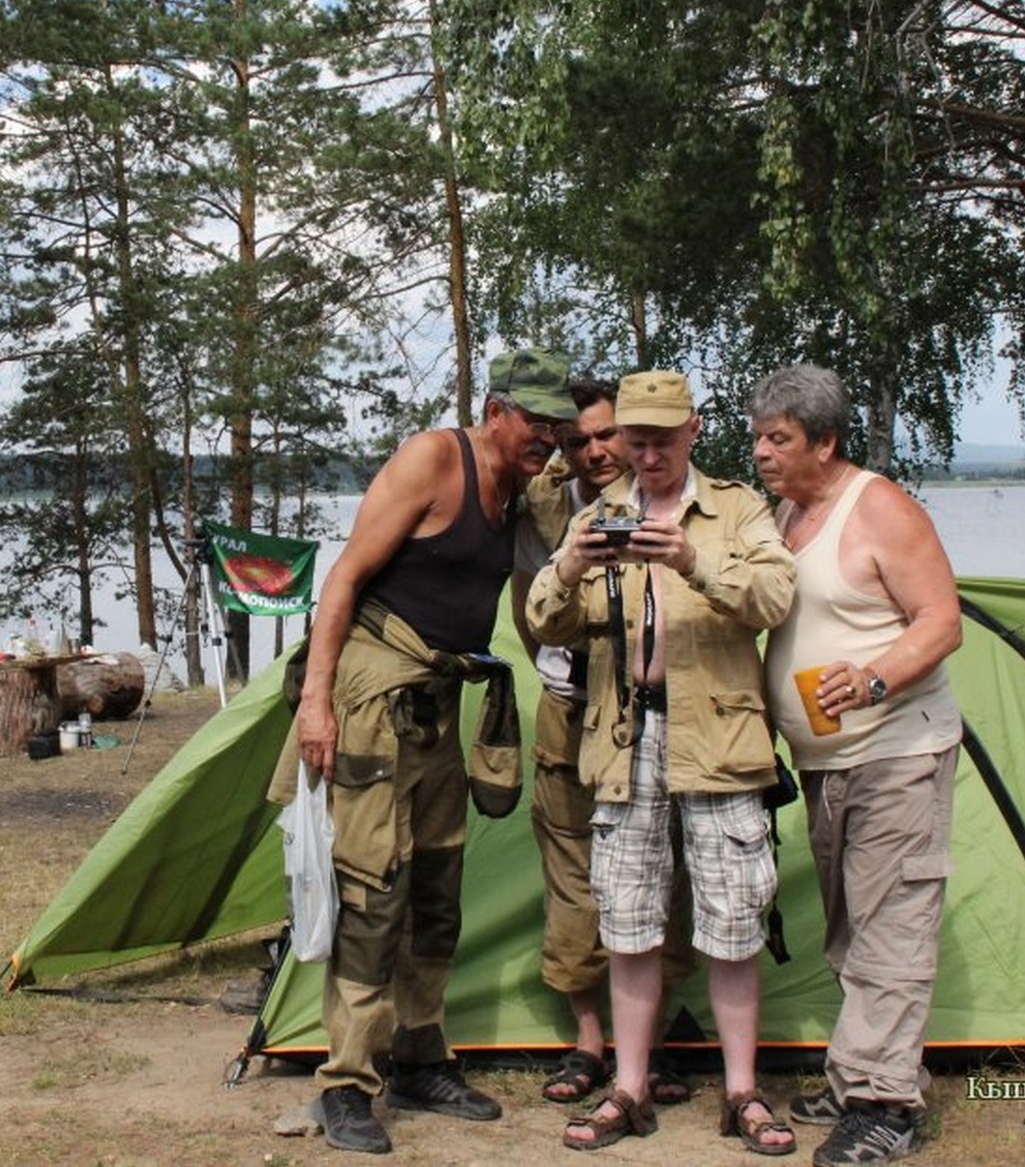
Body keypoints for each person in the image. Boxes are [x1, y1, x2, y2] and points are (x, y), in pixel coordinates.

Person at [271, 347, 577, 1156]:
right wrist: (315, 703)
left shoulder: (525, 492)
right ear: (496, 410)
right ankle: (345, 1083)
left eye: (560, 424)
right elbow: (343, 580)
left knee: (438, 887)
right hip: (372, 701)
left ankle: (419, 1057)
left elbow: (535, 609)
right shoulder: (432, 458)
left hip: (439, 701)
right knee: (374, 893)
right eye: (537, 421)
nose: (550, 435)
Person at [526, 369, 798, 1155]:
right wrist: (571, 565)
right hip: (625, 740)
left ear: (693, 431)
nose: (644, 456)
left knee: (733, 920)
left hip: (718, 740)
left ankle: (742, 1091)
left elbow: (776, 596)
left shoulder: (737, 509)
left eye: (658, 440)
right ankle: (631, 1088)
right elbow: (545, 622)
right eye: (632, 441)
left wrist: (691, 561)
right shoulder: (601, 514)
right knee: (630, 922)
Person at [748, 364, 963, 1166]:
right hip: (826, 763)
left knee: (892, 926)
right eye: (759, 436)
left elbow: (942, 620)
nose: (763, 452)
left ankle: (885, 1108)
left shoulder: (881, 507)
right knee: (851, 925)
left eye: (780, 438)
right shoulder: (789, 512)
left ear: (826, 441)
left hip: (897, 750)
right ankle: (857, 1075)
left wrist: (874, 678)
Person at [510, 377, 695, 1108]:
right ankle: (590, 1039)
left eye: (608, 434)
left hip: (653, 708)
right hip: (570, 705)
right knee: (575, 877)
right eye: (578, 440)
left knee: (664, 870)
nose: (595, 450)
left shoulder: (679, 499)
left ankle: (655, 1038)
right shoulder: (543, 502)